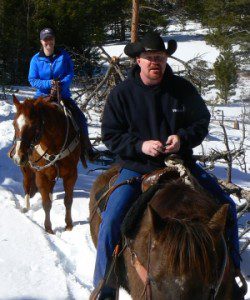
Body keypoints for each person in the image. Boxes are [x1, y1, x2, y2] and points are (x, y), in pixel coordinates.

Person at [92, 32, 247, 299]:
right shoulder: (122, 94)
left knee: (228, 209)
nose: (156, 63)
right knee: (113, 218)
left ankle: (232, 274)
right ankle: (104, 287)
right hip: (138, 167)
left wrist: (182, 138)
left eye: (161, 58)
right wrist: (140, 146)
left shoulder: (182, 89)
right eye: (150, 58)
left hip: (179, 164)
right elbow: (110, 134)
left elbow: (201, 121)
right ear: (138, 61)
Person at [28, 27, 96, 164]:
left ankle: (87, 149)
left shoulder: (63, 56)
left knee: (80, 118)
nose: (48, 42)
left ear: (54, 40)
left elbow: (70, 74)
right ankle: (20, 148)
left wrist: (61, 85)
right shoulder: (36, 59)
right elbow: (32, 79)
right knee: (25, 119)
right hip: (42, 97)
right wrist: (49, 83)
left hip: (62, 95)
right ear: (41, 41)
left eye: (50, 39)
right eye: (45, 39)